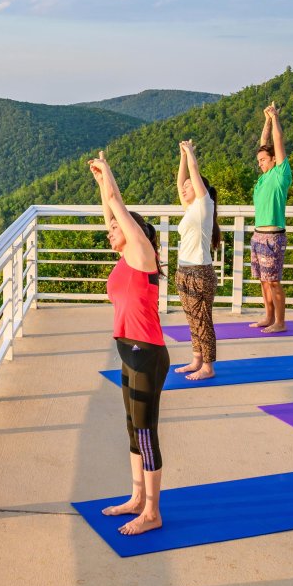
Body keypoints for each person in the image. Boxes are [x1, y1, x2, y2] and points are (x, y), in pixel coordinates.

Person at [89, 150, 169, 535]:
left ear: (135, 233)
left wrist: (110, 176)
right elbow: (112, 210)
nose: (110, 230)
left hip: (146, 353)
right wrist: (102, 182)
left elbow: (119, 209)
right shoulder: (124, 257)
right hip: (128, 350)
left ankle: (152, 512)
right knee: (131, 427)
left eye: (116, 228)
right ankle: (137, 498)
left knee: (145, 430)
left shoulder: (141, 255)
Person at [173, 139, 220, 380]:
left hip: (200, 272)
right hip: (184, 271)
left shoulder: (204, 206)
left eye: (190, 186)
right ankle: (196, 359)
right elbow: (180, 181)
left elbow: (193, 174)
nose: (184, 188)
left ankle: (208, 366)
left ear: (200, 188)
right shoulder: (191, 209)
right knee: (192, 319)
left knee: (203, 320)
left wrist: (191, 153)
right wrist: (182, 156)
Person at [251, 102, 291, 333]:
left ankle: (280, 322)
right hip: (258, 234)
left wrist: (275, 118)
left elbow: (277, 142)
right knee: (263, 280)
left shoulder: (280, 174)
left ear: (275, 160)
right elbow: (264, 144)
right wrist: (265, 120)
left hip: (273, 236)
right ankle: (268, 316)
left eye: (264, 160)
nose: (261, 163)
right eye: (259, 161)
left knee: (273, 280)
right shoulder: (264, 178)